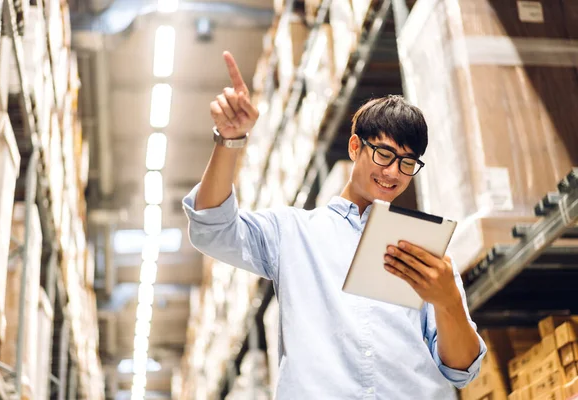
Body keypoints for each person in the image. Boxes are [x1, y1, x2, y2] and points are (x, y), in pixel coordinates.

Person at [182, 51, 486, 399]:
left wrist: (448, 302)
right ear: (356, 146)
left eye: (406, 163)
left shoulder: (426, 249)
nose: (393, 173)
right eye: (384, 155)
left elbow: (461, 370)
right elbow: (211, 228)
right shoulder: (292, 233)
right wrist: (229, 140)